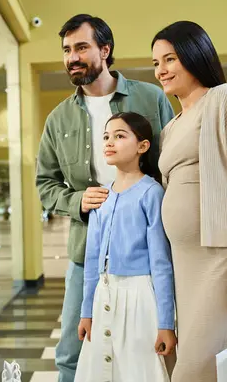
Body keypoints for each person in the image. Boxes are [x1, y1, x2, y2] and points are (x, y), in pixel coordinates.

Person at [36, 14, 175, 382]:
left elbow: (173, 167)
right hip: (88, 250)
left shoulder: (151, 97)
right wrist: (77, 201)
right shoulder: (58, 119)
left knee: (147, 351)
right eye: (67, 50)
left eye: (81, 47)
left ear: (105, 50)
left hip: (148, 255)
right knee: (73, 349)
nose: (72, 57)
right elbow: (45, 185)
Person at [152, 21, 227, 381]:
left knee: (196, 370)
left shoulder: (225, 98)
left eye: (170, 58)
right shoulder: (172, 125)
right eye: (156, 62)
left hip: (221, 261)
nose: (161, 69)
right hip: (185, 266)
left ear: (195, 55)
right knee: (210, 368)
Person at [75, 112, 176, 382]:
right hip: (103, 295)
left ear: (142, 146)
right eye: (106, 136)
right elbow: (91, 260)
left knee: (136, 369)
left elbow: (161, 263)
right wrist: (86, 312)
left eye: (120, 136)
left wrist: (166, 323)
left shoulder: (151, 193)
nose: (110, 142)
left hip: (140, 298)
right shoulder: (101, 195)